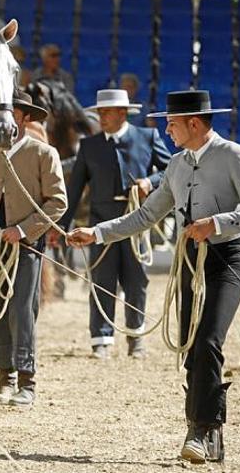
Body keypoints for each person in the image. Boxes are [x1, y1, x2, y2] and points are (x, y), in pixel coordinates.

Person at [68, 90, 240, 463]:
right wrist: (96, 232)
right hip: (189, 260)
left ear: (194, 123)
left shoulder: (235, 156)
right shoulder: (177, 165)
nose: (167, 129)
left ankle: (201, 428)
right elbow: (145, 216)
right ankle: (206, 431)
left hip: (227, 257)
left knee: (209, 339)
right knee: (191, 348)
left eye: (172, 123)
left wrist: (218, 223)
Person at [49, 89, 170, 359]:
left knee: (136, 281)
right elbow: (75, 189)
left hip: (137, 221)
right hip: (100, 224)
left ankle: (136, 337)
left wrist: (150, 182)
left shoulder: (147, 137)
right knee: (102, 280)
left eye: (106, 112)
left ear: (122, 113)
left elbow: (171, 170)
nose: (101, 117)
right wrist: (60, 228)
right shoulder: (89, 146)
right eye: (99, 112)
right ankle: (101, 339)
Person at [0, 92, 67, 407]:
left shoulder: (44, 153)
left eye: (11, 111)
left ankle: (27, 378)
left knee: (22, 308)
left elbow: (58, 202)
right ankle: (6, 377)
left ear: (25, 117)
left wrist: (23, 230)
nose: (3, 118)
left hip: (27, 243)